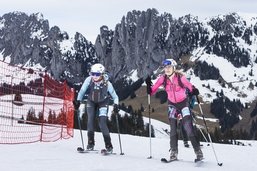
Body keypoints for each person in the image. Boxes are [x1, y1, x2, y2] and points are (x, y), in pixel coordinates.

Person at [145, 58, 203, 161]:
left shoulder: (181, 78)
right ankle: (173, 153)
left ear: (173, 68)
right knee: (173, 129)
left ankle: (198, 152)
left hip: (183, 104)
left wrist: (194, 90)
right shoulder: (163, 79)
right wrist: (149, 87)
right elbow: (153, 90)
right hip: (172, 105)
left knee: (188, 127)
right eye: (165, 67)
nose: (166, 69)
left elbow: (190, 86)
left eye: (169, 67)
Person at [74, 63, 119, 152]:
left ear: (102, 74)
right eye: (92, 74)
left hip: (103, 102)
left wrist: (116, 104)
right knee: (90, 121)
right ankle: (90, 143)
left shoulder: (107, 83)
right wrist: (78, 101)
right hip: (91, 101)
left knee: (102, 123)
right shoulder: (89, 80)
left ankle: (109, 145)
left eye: (97, 74)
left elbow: (115, 96)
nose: (94, 76)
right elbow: (82, 91)